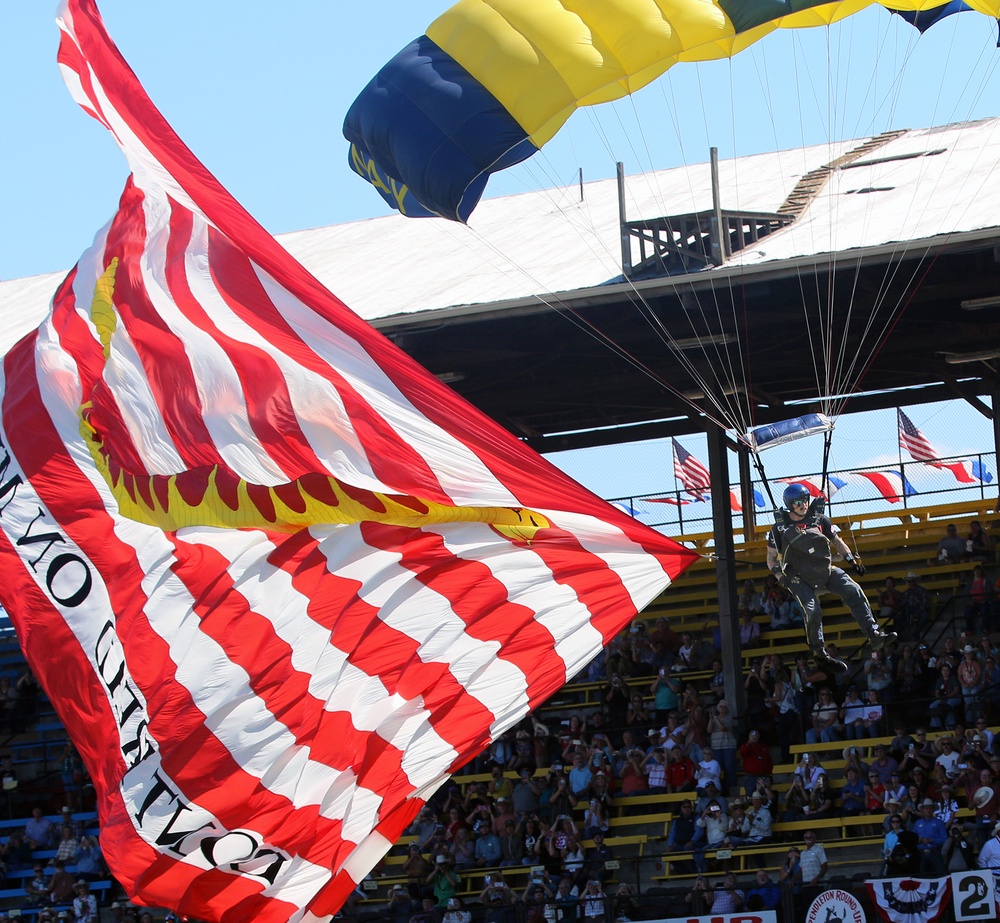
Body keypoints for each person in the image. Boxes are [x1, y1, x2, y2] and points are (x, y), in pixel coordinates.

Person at [767, 484, 894, 673]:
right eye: (798, 502)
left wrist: (852, 560)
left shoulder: (820, 519)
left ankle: (874, 634)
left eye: (805, 500)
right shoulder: (779, 528)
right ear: (789, 504)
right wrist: (779, 575)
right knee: (812, 611)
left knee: (853, 589)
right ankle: (819, 652)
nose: (804, 505)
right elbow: (770, 558)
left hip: (823, 570)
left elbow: (837, 541)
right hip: (799, 577)